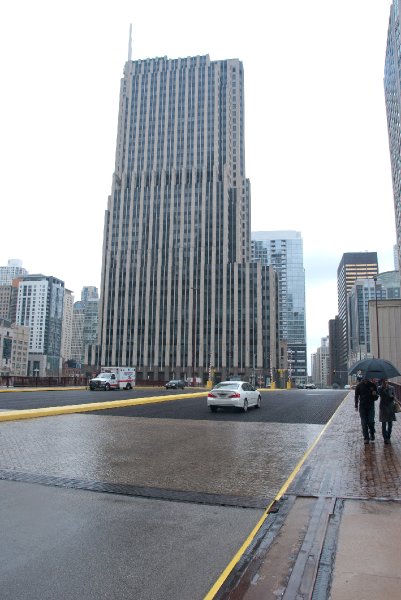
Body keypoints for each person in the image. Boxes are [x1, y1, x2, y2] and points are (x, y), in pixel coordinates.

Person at [354, 376, 378, 444]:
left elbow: (376, 398)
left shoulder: (373, 385)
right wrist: (356, 405)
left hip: (370, 406)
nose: (365, 378)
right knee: (364, 423)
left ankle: (372, 433)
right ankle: (366, 438)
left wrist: (374, 395)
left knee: (371, 421)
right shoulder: (359, 386)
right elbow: (356, 396)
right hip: (362, 407)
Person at [378, 379, 396, 444]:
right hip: (383, 407)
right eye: (384, 381)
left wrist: (392, 396)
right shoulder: (379, 388)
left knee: (390, 423)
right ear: (382, 382)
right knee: (383, 423)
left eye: (386, 380)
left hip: (390, 406)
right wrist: (384, 389)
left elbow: (394, 396)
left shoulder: (392, 387)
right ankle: (385, 438)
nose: (385, 382)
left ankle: (388, 436)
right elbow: (380, 395)